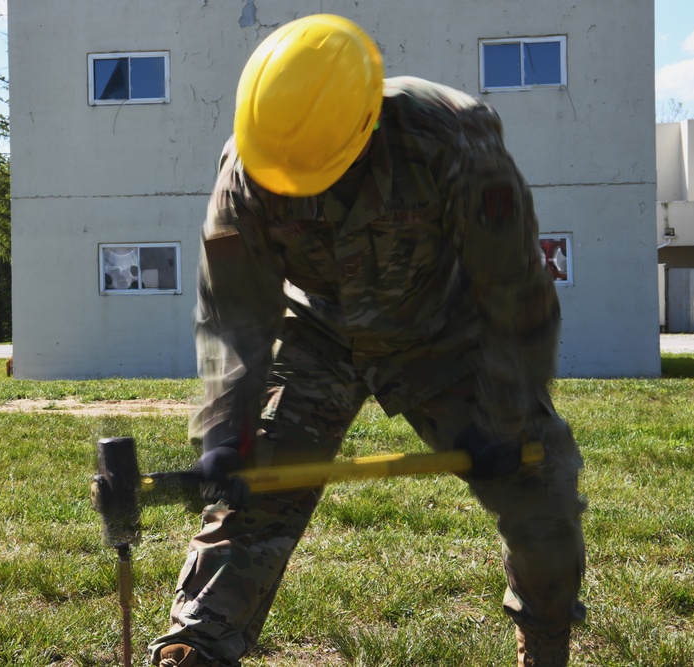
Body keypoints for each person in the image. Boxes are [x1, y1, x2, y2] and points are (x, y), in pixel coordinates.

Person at [149, 14, 586, 667]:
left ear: (367, 128)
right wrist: (224, 433)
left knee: (540, 486)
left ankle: (545, 639)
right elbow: (236, 318)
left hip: (442, 331)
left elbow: (513, 292)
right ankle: (197, 645)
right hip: (320, 331)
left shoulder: (453, 138)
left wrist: (502, 417)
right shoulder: (251, 162)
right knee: (256, 483)